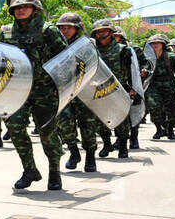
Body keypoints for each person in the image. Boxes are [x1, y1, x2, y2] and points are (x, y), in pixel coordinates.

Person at [4, 0, 67, 191]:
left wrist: (62, 89)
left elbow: (65, 59)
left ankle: (54, 170)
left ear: (35, 8)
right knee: (14, 127)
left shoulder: (48, 31)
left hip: (45, 90)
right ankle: (29, 169)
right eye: (17, 7)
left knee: (47, 132)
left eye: (25, 6)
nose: (21, 9)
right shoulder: (6, 32)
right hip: (18, 90)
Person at [53, 12, 99, 173]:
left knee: (88, 126)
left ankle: (91, 157)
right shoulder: (55, 44)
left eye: (69, 27)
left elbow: (97, 65)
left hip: (85, 91)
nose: (64, 30)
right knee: (64, 124)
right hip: (65, 91)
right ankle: (73, 152)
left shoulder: (88, 44)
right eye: (62, 27)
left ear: (77, 28)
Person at [89, 18, 137, 159]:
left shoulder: (124, 50)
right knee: (99, 121)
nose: (101, 34)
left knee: (121, 120)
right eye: (98, 31)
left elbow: (133, 71)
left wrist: (133, 89)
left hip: (119, 90)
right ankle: (106, 143)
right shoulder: (92, 50)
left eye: (104, 31)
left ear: (111, 32)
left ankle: (123, 146)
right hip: (98, 90)